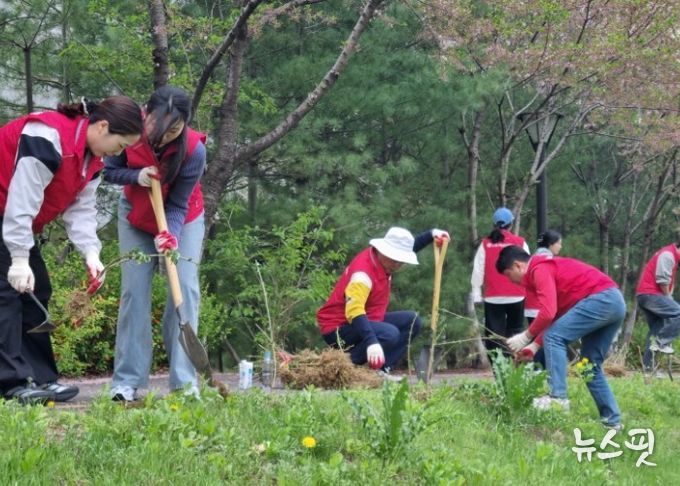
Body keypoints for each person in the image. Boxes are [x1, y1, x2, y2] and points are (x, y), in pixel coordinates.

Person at [0, 96, 143, 404]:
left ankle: (40, 379)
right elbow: (21, 201)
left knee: (37, 290)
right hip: (9, 212)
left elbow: (80, 210)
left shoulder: (92, 160)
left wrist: (92, 253)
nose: (119, 153)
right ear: (103, 126)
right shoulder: (46, 138)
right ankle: (10, 384)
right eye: (120, 144)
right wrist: (19, 259)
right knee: (6, 294)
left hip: (14, 220)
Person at [104, 86, 206, 402]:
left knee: (184, 290)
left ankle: (184, 384)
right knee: (134, 291)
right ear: (146, 114)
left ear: (185, 123)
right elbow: (108, 171)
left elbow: (178, 204)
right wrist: (135, 176)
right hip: (135, 215)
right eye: (160, 128)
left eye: (174, 129)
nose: (164, 137)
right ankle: (127, 381)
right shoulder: (129, 129)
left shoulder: (194, 150)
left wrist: (169, 235)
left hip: (182, 218)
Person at [498, 245, 624, 430]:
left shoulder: (539, 269)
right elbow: (556, 317)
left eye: (508, 275)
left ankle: (558, 397)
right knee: (589, 366)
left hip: (601, 299)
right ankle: (612, 422)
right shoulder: (547, 269)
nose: (511, 281)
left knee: (554, 337)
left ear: (518, 266)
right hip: (614, 302)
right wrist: (533, 347)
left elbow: (548, 313)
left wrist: (525, 337)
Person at [317, 227, 449, 378]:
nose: (398, 265)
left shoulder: (383, 260)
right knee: (389, 334)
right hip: (338, 328)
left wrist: (431, 234)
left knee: (412, 321)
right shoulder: (362, 275)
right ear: (384, 251)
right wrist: (372, 341)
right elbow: (354, 310)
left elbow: (410, 247)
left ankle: (382, 371)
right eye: (395, 260)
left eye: (402, 261)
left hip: (366, 320)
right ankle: (342, 367)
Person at [470, 207, 529, 357]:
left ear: (494, 224)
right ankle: (515, 364)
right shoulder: (520, 242)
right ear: (511, 224)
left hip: (493, 296)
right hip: (517, 295)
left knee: (494, 336)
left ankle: (498, 366)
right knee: (516, 332)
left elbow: (478, 270)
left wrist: (476, 292)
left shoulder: (485, 244)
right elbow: (528, 267)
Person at [635, 242, 680, 371]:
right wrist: (668, 298)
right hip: (650, 294)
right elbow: (663, 280)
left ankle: (648, 368)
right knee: (678, 312)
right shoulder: (668, 255)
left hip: (647, 295)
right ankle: (661, 343)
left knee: (656, 331)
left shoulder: (670, 255)